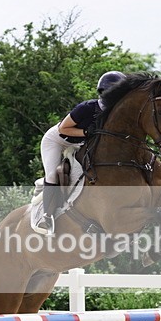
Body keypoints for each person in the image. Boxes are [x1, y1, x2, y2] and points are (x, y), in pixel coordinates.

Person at [36, 71, 126, 235]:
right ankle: (46, 216)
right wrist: (86, 132)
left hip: (79, 144)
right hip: (57, 140)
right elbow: (63, 128)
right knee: (52, 175)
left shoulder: (114, 113)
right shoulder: (87, 107)